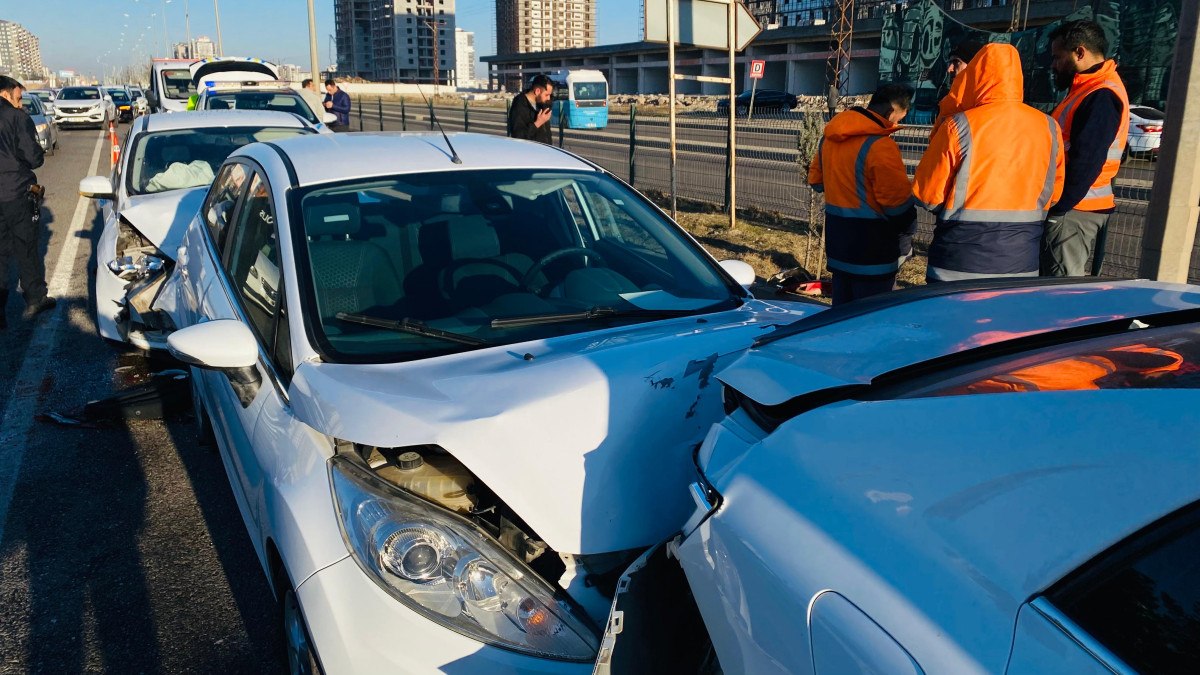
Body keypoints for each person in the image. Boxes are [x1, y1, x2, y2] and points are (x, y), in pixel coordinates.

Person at [913, 43, 1065, 283]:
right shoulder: (1049, 127)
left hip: (958, 263)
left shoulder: (958, 125)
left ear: (976, 76)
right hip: (1020, 264)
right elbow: (1053, 195)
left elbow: (927, 196)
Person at [807, 83, 917, 305]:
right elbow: (897, 205)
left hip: (839, 246)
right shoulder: (880, 146)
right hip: (873, 251)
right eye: (899, 118)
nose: (898, 124)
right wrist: (908, 231)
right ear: (890, 112)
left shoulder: (829, 138)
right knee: (871, 320)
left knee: (842, 317)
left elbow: (816, 182)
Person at [1041, 19, 1129, 277]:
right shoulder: (1089, 89)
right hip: (1076, 207)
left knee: (1061, 290)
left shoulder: (1100, 95)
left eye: (1058, 57)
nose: (1054, 65)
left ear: (1079, 52)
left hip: (1075, 210)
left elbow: (1086, 161)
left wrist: (1059, 208)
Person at [0, 75, 53, 328]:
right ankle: (34, 298)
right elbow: (33, 157)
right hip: (16, 192)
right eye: (18, 97)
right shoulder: (16, 118)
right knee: (26, 247)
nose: (20, 103)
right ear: (5, 93)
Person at [931, 39, 985, 136]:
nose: (949, 69)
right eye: (950, 63)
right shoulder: (949, 102)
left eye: (956, 62)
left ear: (974, 66)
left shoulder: (986, 107)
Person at [508, 74, 554, 145]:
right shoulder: (519, 104)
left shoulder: (541, 104)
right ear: (537, 91)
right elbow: (518, 136)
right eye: (546, 95)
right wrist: (538, 123)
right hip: (530, 153)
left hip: (545, 151)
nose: (548, 98)